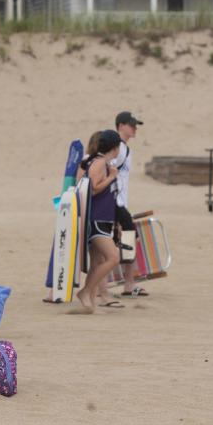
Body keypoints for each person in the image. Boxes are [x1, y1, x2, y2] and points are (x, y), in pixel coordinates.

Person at [75, 130, 124, 312]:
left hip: (102, 218)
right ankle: (86, 291)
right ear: (115, 147)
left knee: (97, 261)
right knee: (112, 257)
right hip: (96, 219)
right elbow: (93, 189)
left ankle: (90, 301)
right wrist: (112, 176)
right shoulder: (100, 163)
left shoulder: (98, 162)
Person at [113, 111, 148, 298]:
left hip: (119, 203)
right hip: (113, 203)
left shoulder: (125, 148)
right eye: (131, 125)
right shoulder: (117, 147)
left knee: (126, 239)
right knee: (126, 238)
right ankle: (128, 284)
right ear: (120, 126)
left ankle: (128, 284)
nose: (135, 128)